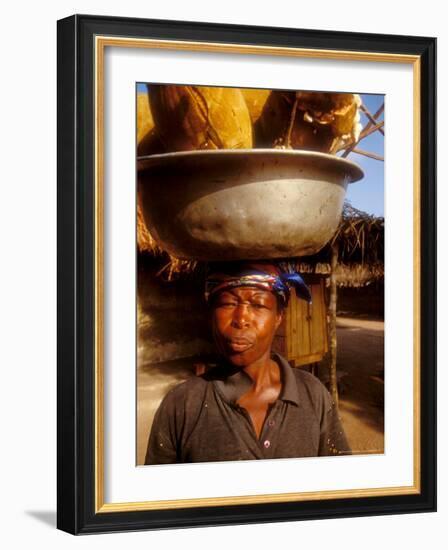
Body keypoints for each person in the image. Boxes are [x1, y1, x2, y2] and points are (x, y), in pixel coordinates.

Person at [145, 261, 350, 464]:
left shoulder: (313, 395)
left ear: (278, 316)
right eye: (228, 303)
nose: (241, 318)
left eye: (258, 304)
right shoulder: (181, 405)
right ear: (211, 314)